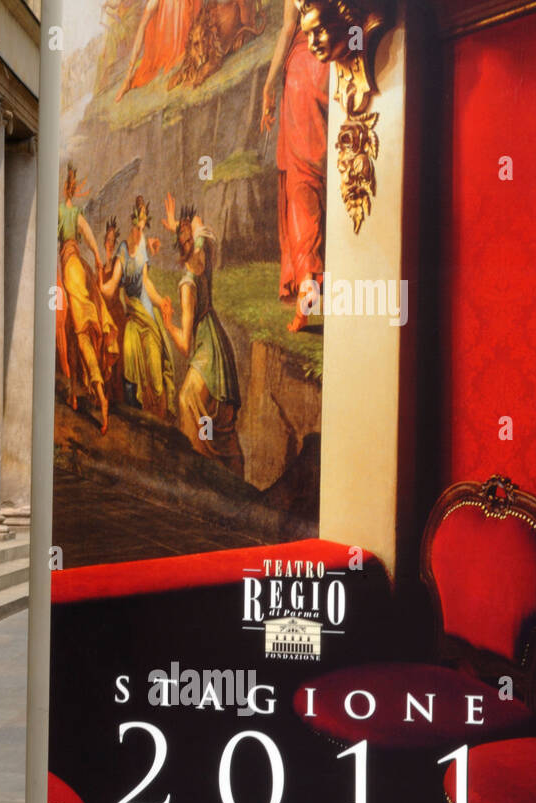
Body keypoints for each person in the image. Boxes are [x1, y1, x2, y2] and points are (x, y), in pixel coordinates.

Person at [159, 194, 245, 476]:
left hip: (207, 351)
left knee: (187, 399)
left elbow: (185, 346)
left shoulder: (186, 286)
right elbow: (199, 226)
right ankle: (225, 465)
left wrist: (168, 323)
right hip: (219, 343)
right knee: (217, 413)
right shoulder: (204, 255)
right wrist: (177, 225)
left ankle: (200, 466)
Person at [261, 0, 328, 333]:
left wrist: (269, 83)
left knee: (301, 186)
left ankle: (307, 286)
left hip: (302, 73)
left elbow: (289, 28)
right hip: (335, 66)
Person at [97, 199, 175, 422]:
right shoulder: (122, 249)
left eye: (143, 228)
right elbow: (113, 287)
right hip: (132, 318)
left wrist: (161, 302)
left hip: (148, 317)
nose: (140, 233)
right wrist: (101, 288)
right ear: (131, 225)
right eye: (137, 228)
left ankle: (159, 420)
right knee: (129, 362)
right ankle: (135, 420)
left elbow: (146, 283)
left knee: (155, 375)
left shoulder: (143, 247)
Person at [57, 165, 112, 434]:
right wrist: (99, 259)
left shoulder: (60, 212)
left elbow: (54, 240)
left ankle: (100, 394)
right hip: (80, 265)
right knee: (77, 332)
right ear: (73, 189)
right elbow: (90, 239)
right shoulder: (76, 214)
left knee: (80, 335)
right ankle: (74, 393)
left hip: (70, 269)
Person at [115, 0, 201, 101]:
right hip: (172, 52)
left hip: (186, 48)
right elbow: (142, 27)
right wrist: (128, 76)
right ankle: (128, 78)